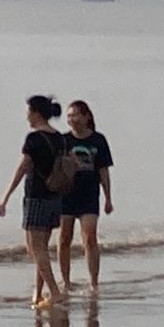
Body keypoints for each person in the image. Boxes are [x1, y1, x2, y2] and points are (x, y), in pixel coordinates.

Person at [0, 95, 67, 309]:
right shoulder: (59, 138)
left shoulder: (34, 138)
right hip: (55, 196)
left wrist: (5, 197)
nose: (27, 115)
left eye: (29, 111)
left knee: (35, 249)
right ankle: (38, 293)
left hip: (36, 196)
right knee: (42, 248)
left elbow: (22, 168)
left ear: (36, 113)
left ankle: (54, 292)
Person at [57, 100, 113, 291]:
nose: (71, 119)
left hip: (89, 194)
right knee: (64, 238)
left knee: (89, 238)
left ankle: (94, 282)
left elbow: (104, 170)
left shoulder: (98, 140)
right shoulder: (63, 140)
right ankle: (65, 280)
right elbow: (56, 169)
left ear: (86, 116)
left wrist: (108, 197)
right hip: (66, 194)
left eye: (75, 115)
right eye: (69, 116)